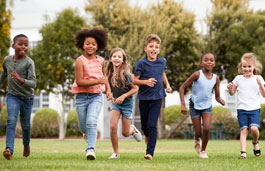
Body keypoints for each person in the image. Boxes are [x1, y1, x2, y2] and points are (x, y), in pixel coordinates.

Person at [72, 28, 111, 160]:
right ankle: (86, 135)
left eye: (93, 44)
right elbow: (80, 82)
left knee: (91, 122)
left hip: (96, 96)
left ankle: (90, 149)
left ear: (98, 46)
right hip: (81, 97)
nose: (90, 46)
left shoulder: (100, 60)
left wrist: (108, 91)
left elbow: (104, 78)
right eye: (87, 43)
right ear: (82, 45)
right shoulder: (80, 61)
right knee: (83, 127)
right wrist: (97, 81)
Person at [179, 53, 225, 159]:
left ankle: (203, 150)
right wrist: (183, 105)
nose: (209, 62)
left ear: (214, 64)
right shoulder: (197, 75)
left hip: (207, 105)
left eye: (211, 60)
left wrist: (220, 100)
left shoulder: (216, 78)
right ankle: (196, 139)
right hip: (194, 104)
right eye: (206, 60)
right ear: (201, 63)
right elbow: (182, 88)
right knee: (199, 132)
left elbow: (217, 96)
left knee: (207, 129)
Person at [133, 34, 172, 160]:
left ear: (159, 50)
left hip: (157, 97)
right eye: (151, 46)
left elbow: (162, 73)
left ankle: (150, 152)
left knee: (152, 124)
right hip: (144, 98)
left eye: (156, 47)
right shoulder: (141, 63)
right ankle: (147, 136)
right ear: (146, 49)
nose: (153, 49)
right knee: (144, 126)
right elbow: (134, 80)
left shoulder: (162, 61)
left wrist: (168, 85)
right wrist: (145, 82)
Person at [0, 34, 36, 160]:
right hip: (12, 95)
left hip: (27, 98)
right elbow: (4, 72)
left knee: (25, 125)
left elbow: (33, 83)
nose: (23, 47)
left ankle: (26, 144)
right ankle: (9, 149)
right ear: (13, 45)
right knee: (11, 120)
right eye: (20, 44)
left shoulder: (29, 63)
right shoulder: (7, 60)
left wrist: (21, 79)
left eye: (26, 45)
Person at [106, 48, 142, 159]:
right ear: (111, 59)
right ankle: (116, 153)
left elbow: (135, 89)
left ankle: (132, 130)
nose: (117, 59)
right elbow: (107, 88)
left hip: (127, 103)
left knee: (125, 133)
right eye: (114, 56)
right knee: (112, 127)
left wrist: (123, 96)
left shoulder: (126, 74)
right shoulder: (109, 74)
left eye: (119, 57)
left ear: (123, 60)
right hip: (116, 103)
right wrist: (109, 94)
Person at [227, 53, 265, 159]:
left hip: (254, 109)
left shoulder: (258, 78)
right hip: (241, 109)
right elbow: (232, 93)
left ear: (254, 67)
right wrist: (230, 88)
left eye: (249, 66)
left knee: (254, 129)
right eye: (244, 66)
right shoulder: (238, 79)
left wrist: (260, 85)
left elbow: (264, 95)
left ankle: (255, 142)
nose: (247, 69)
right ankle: (243, 153)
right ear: (241, 67)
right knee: (244, 130)